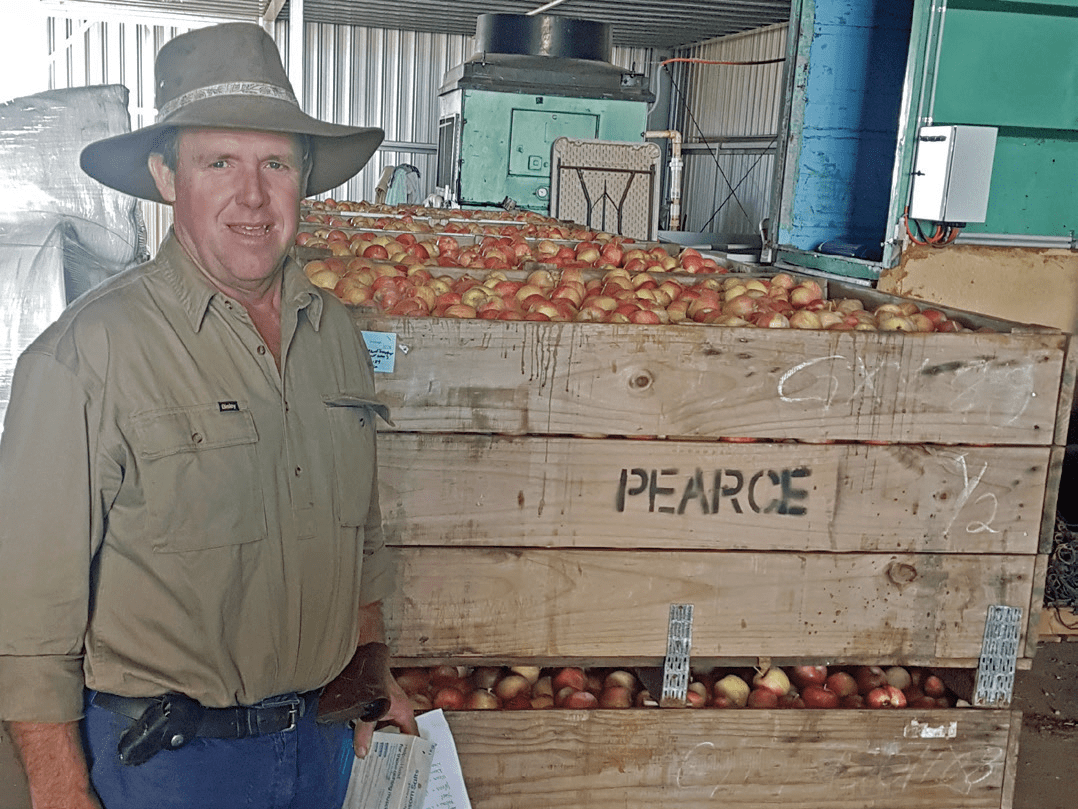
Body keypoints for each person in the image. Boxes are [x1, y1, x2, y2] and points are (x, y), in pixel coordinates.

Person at [0, 22, 417, 809]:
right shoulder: (86, 357)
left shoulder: (336, 340)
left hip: (319, 749)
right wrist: (57, 784)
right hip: (168, 769)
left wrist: (371, 672)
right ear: (166, 175)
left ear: (304, 178)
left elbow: (358, 537)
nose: (252, 196)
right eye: (218, 162)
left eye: (275, 163)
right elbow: (26, 612)